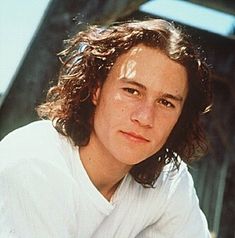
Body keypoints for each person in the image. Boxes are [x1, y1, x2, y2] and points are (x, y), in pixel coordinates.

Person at [0, 19, 212, 237]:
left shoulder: (169, 180)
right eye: (132, 91)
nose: (145, 118)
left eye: (166, 103)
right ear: (96, 90)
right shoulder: (34, 162)